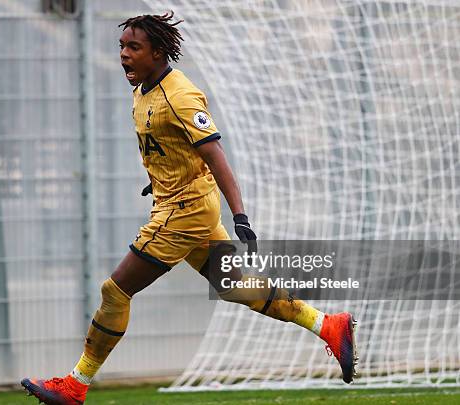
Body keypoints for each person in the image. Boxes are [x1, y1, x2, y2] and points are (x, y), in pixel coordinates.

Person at [21, 12, 357, 405]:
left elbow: (216, 157)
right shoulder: (143, 89)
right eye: (121, 47)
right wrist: (160, 175)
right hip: (181, 203)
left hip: (184, 211)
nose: (124, 56)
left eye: (134, 48)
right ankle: (328, 325)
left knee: (115, 290)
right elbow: (172, 148)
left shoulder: (179, 95)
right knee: (236, 287)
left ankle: (76, 386)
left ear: (158, 52)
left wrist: (241, 216)